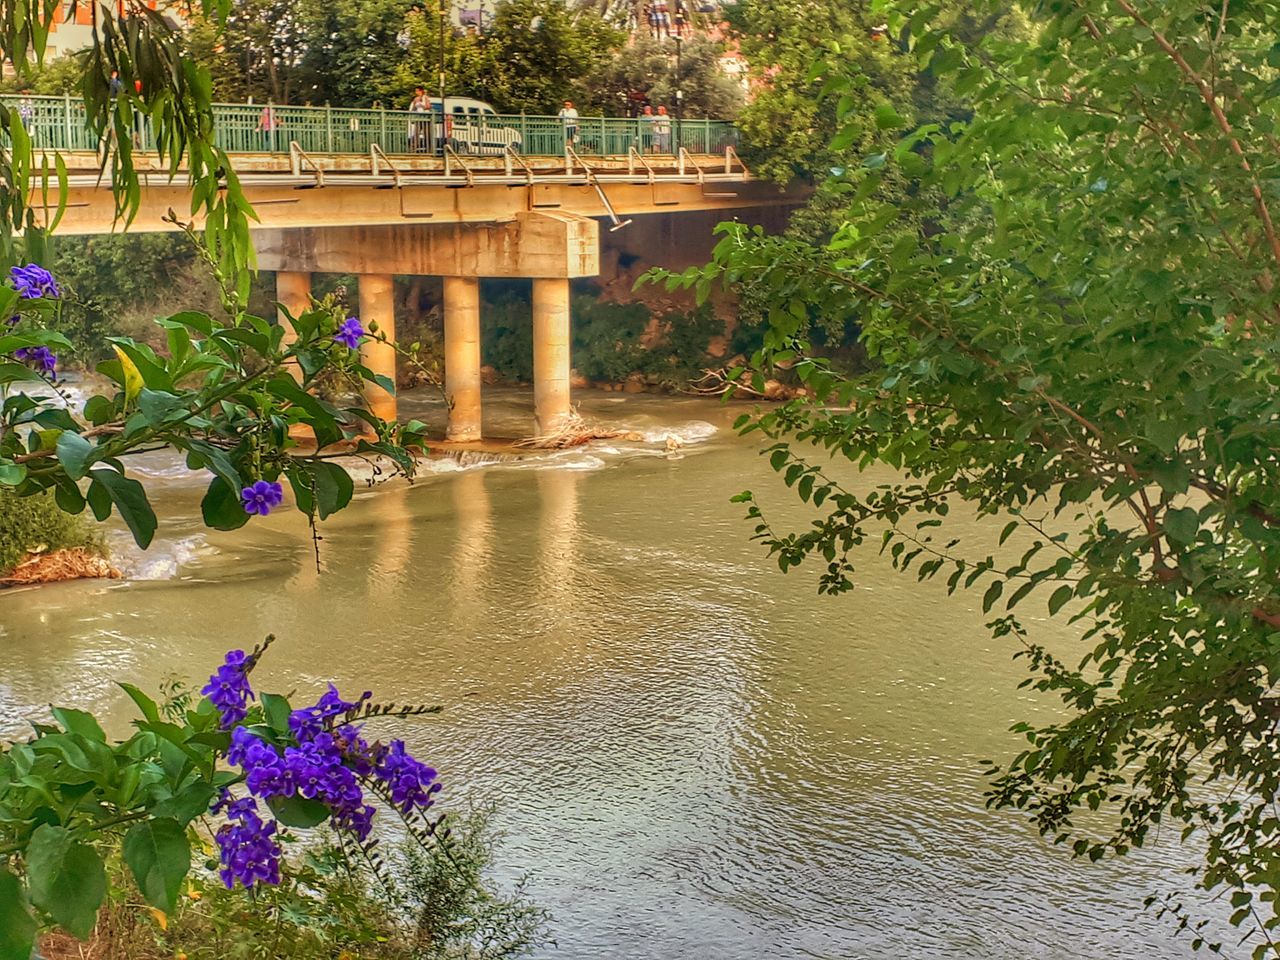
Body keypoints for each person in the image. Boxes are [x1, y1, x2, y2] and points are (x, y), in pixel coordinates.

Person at [408, 85, 430, 153]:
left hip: (426, 117)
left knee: (427, 134)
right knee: (416, 132)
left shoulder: (425, 97)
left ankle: (429, 148)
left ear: (420, 91)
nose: (416, 92)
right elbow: (413, 108)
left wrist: (422, 105)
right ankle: (413, 148)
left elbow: (428, 106)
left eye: (417, 90)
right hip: (419, 117)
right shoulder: (416, 99)